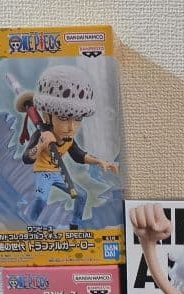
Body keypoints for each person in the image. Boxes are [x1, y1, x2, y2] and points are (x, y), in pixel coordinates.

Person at [17, 65, 119, 228]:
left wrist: (100, 161)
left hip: (58, 174)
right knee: (40, 199)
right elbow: (27, 158)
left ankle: (75, 226)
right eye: (63, 118)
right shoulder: (41, 134)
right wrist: (42, 144)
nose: (72, 127)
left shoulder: (68, 138)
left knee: (81, 196)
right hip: (43, 173)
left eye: (77, 119)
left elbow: (78, 155)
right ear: (47, 115)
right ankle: (29, 225)